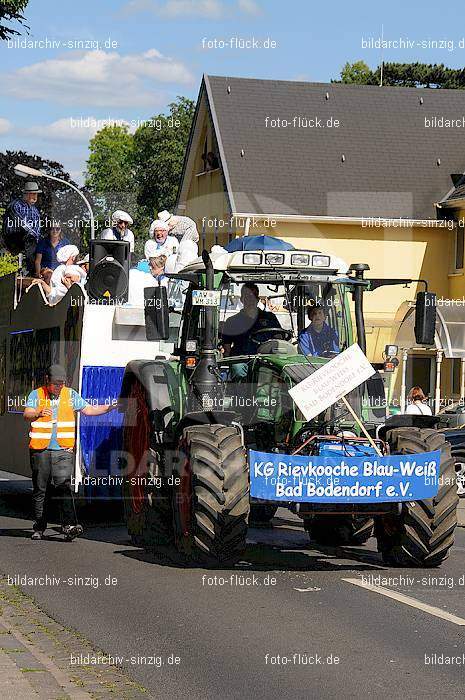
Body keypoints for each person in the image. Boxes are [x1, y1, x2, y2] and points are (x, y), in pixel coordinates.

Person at [23, 364, 116, 541]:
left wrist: (109, 407)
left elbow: (89, 410)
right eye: (56, 384)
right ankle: (39, 527)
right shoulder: (37, 394)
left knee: (64, 486)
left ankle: (69, 525)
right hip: (40, 450)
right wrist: (38, 412)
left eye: (62, 383)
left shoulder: (70, 394)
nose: (59, 387)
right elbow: (26, 414)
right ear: (47, 381)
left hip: (63, 450)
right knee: (40, 489)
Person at [221, 282, 282, 357]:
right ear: (241, 299)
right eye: (247, 296)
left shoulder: (270, 317)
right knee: (237, 367)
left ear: (258, 299)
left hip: (265, 359)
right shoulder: (232, 321)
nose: (251, 299)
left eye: (253, 296)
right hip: (241, 359)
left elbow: (279, 339)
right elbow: (227, 347)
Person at [3, 181, 42, 275]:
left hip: (27, 239)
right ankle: (28, 268)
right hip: (13, 237)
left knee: (39, 245)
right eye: (33, 194)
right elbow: (21, 223)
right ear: (26, 194)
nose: (35, 196)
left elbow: (37, 227)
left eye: (36, 194)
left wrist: (37, 239)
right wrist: (33, 234)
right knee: (29, 237)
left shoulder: (35, 210)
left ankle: (31, 271)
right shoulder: (15, 205)